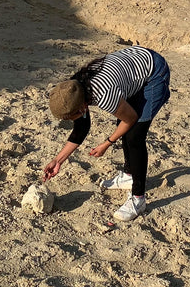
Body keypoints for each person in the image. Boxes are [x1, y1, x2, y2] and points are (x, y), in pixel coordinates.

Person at [43, 46, 172, 222]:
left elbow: (131, 119)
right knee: (125, 128)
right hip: (134, 67)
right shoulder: (74, 90)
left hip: (153, 72)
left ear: (81, 107)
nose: (69, 121)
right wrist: (58, 161)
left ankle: (139, 199)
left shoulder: (104, 95)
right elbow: (81, 128)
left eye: (69, 117)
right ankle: (129, 175)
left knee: (134, 135)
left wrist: (107, 143)